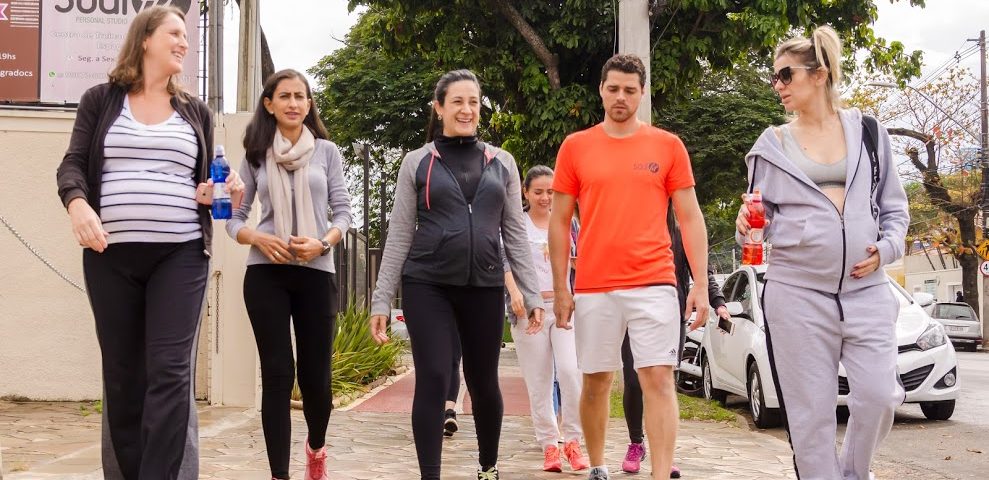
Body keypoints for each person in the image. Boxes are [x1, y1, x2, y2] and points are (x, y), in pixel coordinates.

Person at [54, 6, 243, 478]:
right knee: (123, 377)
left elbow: (207, 183)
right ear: (145, 40)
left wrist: (222, 188)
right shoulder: (100, 100)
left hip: (179, 256)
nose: (184, 42)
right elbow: (72, 164)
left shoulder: (194, 111)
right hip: (110, 256)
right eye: (175, 34)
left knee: (170, 373)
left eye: (186, 36)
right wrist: (78, 205)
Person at [735, 26, 909, 480]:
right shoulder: (769, 147)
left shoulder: (870, 133)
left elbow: (894, 208)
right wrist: (744, 228)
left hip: (866, 290)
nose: (778, 85)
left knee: (879, 396)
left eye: (786, 75)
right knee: (810, 416)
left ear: (819, 74)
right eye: (774, 77)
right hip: (796, 293)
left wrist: (886, 248)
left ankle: (854, 473)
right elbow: (756, 225)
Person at [369, 69, 544, 480]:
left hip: (482, 285)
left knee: (483, 380)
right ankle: (430, 474)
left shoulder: (502, 162)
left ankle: (488, 468)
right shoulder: (418, 162)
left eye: (474, 102)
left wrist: (532, 294)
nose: (467, 110)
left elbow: (515, 236)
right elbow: (398, 235)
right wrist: (381, 298)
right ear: (439, 108)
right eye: (458, 102)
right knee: (432, 375)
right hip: (427, 283)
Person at [549, 54, 710, 480]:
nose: (621, 97)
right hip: (594, 285)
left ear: (642, 93)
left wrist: (700, 285)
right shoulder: (575, 147)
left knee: (657, 377)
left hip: (655, 281)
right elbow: (560, 221)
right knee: (597, 379)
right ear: (601, 90)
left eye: (630, 90)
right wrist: (561, 288)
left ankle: (659, 473)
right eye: (614, 88)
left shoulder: (668, 146)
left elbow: (690, 217)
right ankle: (599, 465)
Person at [226, 69, 351, 480]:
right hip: (267, 273)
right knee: (278, 373)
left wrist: (323, 243)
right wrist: (258, 240)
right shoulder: (255, 155)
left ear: (309, 104)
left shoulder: (327, 152)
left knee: (316, 378)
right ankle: (279, 474)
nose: (294, 103)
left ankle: (316, 447)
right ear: (269, 104)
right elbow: (234, 218)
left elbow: (343, 213)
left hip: (316, 271)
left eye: (301, 96)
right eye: (285, 96)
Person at [620, 213, 728, 478]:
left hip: (672, 316)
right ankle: (636, 443)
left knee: (664, 384)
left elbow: (703, 275)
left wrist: (720, 304)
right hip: (632, 314)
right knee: (634, 382)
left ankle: (663, 455)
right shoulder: (631, 226)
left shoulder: (681, 232)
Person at [504, 165, 589, 473]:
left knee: (570, 373)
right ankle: (550, 446)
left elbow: (581, 263)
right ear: (525, 192)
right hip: (529, 313)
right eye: (538, 192)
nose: (544, 198)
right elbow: (505, 262)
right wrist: (517, 296)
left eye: (550, 192)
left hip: (563, 308)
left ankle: (573, 440)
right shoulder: (516, 224)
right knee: (539, 382)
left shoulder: (569, 223)